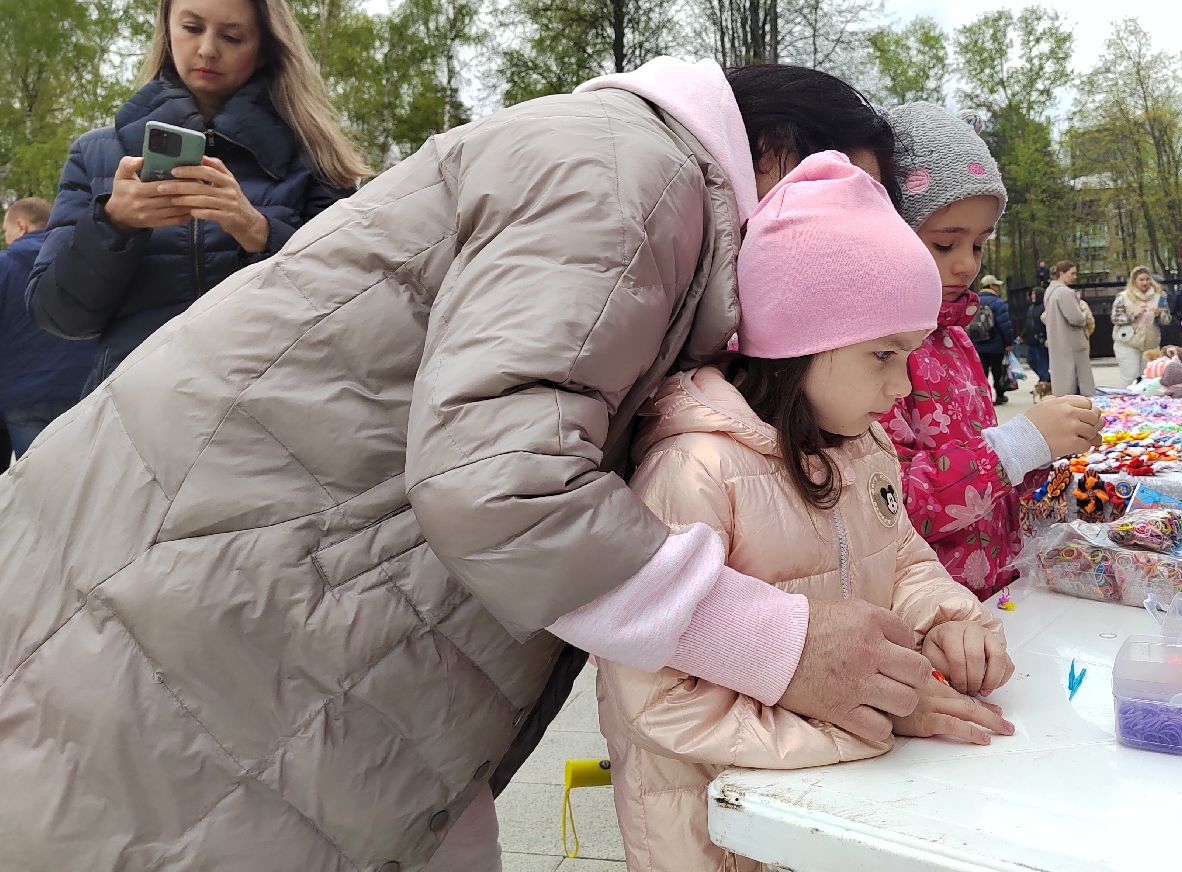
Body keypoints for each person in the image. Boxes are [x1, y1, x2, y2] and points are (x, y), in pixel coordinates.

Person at [0, 55, 937, 870]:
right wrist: (778, 643)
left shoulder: (642, 194)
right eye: (832, 194)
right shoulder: (628, 175)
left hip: (242, 620)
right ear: (770, 147)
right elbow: (501, 482)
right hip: (189, 620)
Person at [595, 153, 1016, 872]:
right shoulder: (695, 473)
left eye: (911, 353)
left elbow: (902, 559)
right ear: (797, 346)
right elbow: (658, 698)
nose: (904, 384)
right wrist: (881, 712)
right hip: (715, 839)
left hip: (836, 813)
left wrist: (946, 620)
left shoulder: (863, 446)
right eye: (883, 354)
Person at [27, 0, 364, 391]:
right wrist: (113, 225)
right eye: (191, 28)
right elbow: (58, 316)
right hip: (137, 407)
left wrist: (259, 232)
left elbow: (351, 304)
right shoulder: (96, 155)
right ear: (168, 31)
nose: (207, 49)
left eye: (232, 36)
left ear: (264, 50)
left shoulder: (317, 158)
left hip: (270, 406)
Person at [879, 103, 1101, 597]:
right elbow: (889, 504)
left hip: (996, 592)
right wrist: (1015, 447)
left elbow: (983, 461)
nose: (967, 265)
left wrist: (1045, 450)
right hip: (931, 608)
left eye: (978, 245)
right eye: (945, 245)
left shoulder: (955, 337)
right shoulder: (876, 352)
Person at [0, 199, 97, 458]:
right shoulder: (83, 260)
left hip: (23, 396)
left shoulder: (4, 266)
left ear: (21, 225)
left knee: (38, 478)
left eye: (6, 230)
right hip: (85, 386)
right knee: (85, 474)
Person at [1110, 265, 1169, 384]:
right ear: (1134, 281)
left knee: (1150, 379)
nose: (1145, 282)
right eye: (1141, 280)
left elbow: (1167, 320)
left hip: (1151, 345)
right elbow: (1115, 318)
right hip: (1128, 344)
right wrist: (1133, 315)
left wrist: (1160, 315)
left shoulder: (1160, 297)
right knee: (1131, 378)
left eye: (1147, 279)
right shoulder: (1123, 297)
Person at [1044, 260, 1095, 396]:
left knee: (1062, 381)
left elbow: (1045, 316)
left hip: (1058, 342)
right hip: (1072, 343)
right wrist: (1084, 313)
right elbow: (1076, 318)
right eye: (1072, 273)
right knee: (1077, 383)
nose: (1074, 277)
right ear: (1062, 273)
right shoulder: (1065, 293)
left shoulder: (1050, 292)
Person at [970, 273, 1016, 404]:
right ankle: (1000, 396)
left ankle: (983, 398)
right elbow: (1005, 325)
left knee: (981, 372)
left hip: (977, 344)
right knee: (997, 371)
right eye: (996, 285)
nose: (997, 288)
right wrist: (1008, 342)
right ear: (991, 286)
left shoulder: (974, 301)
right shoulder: (998, 302)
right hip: (996, 344)